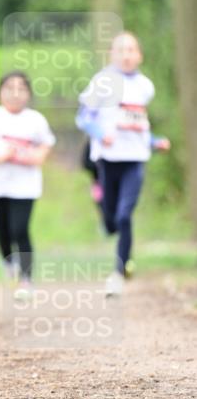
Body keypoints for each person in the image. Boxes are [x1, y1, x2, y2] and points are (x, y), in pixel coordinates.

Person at [76, 31, 170, 296]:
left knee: (125, 215)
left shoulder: (145, 86)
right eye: (121, 50)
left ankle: (118, 271)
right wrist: (99, 134)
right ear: (112, 55)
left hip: (136, 158)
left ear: (139, 55)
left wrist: (155, 141)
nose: (127, 55)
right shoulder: (102, 81)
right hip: (108, 158)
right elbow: (83, 118)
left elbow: (139, 125)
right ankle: (106, 217)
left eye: (132, 50)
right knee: (110, 219)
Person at [0, 72, 55, 299]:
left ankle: (26, 278)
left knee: (20, 229)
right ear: (0, 92)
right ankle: (10, 266)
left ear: (28, 94)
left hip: (26, 186)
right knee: (3, 232)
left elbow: (45, 146)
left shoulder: (35, 120)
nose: (15, 93)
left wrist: (33, 156)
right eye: (9, 88)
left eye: (21, 88)